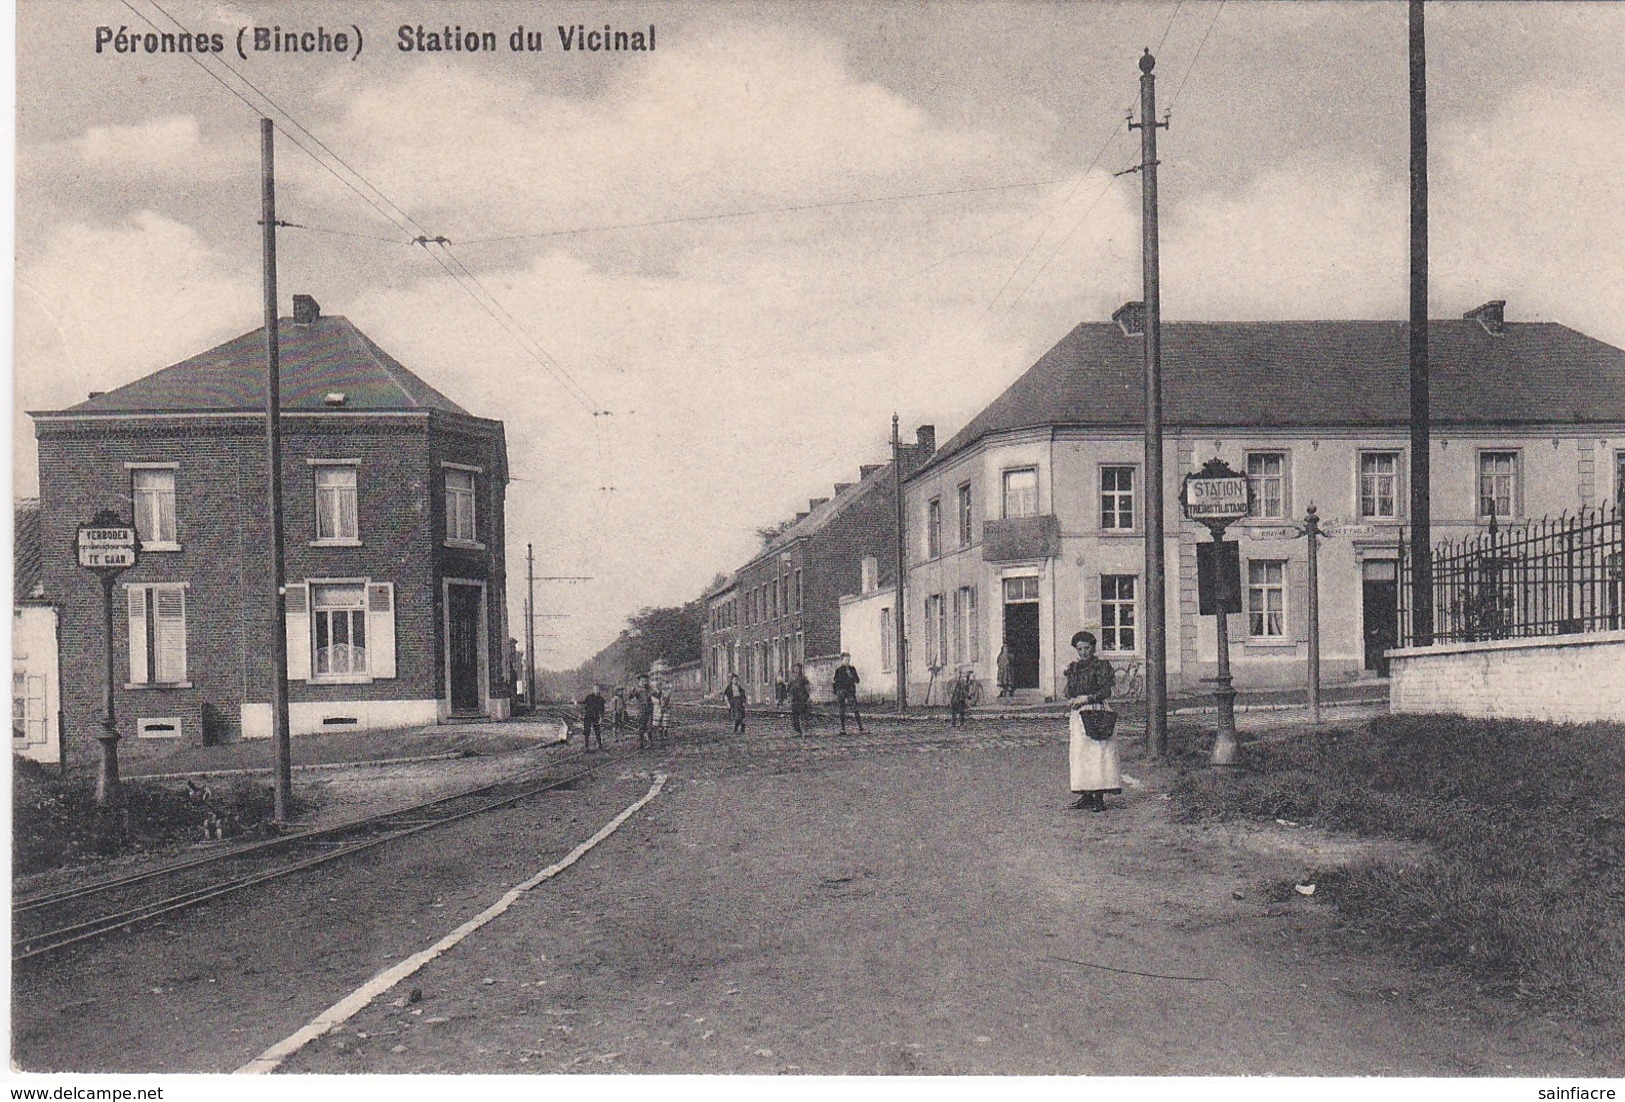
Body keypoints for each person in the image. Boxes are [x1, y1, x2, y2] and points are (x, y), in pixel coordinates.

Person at [1065, 631, 1118, 812]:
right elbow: (1069, 690)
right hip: (1079, 716)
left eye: (1086, 648)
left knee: (1098, 753)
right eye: (1080, 649)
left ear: (1093, 648)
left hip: (1096, 712)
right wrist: (1072, 699)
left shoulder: (1101, 666)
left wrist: (1087, 699)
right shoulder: (1074, 668)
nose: (1083, 652)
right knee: (1080, 754)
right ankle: (1085, 794)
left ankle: (1098, 797)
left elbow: (1105, 692)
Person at [832, 653, 864, 734]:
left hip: (850, 691)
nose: (847, 662)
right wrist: (836, 691)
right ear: (842, 660)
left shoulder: (852, 669)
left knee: (855, 708)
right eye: (846, 660)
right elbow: (835, 682)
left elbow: (857, 680)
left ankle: (861, 728)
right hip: (841, 691)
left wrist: (851, 676)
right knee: (842, 709)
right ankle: (843, 729)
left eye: (849, 660)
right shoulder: (839, 670)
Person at [631, 673, 655, 748]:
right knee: (641, 727)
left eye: (646, 681)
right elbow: (630, 697)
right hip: (641, 710)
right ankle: (641, 743)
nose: (644, 682)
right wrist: (632, 692)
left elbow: (657, 694)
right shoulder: (637, 689)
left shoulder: (649, 689)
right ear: (640, 681)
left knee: (649, 726)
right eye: (643, 681)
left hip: (649, 709)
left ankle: (651, 742)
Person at [788, 663, 812, 734]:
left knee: (803, 715)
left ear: (800, 670)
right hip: (795, 700)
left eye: (797, 669)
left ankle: (804, 730)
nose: (796, 671)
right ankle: (798, 730)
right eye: (795, 669)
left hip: (802, 699)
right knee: (795, 716)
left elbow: (808, 688)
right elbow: (789, 690)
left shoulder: (803, 679)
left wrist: (809, 697)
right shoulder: (792, 680)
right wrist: (789, 698)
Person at [581, 684, 606, 752]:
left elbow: (602, 710)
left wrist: (601, 718)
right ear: (593, 690)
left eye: (598, 689)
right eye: (596, 689)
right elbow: (584, 705)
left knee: (597, 731)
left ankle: (600, 746)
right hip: (588, 716)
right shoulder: (589, 697)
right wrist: (581, 714)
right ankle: (586, 747)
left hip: (596, 717)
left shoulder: (601, 699)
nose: (597, 691)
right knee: (587, 732)